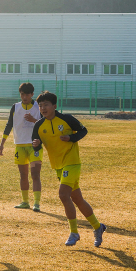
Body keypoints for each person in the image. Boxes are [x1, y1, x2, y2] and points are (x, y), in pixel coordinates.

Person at [31, 91, 106, 247]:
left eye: (46, 105)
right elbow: (35, 148)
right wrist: (36, 146)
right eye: (40, 106)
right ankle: (98, 227)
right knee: (77, 199)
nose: (43, 108)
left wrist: (71, 138)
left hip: (72, 162)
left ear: (54, 106)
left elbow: (83, 130)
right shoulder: (38, 125)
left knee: (63, 195)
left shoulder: (66, 119)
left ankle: (74, 233)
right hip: (57, 166)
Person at [0, 82, 43, 211]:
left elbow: (44, 123)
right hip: (20, 146)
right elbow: (9, 125)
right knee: (23, 175)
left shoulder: (37, 107)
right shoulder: (15, 107)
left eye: (27, 94)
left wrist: (34, 120)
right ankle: (25, 201)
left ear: (32, 94)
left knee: (35, 174)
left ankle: (37, 203)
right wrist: (2, 143)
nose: (24, 97)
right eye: (22, 94)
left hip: (34, 146)